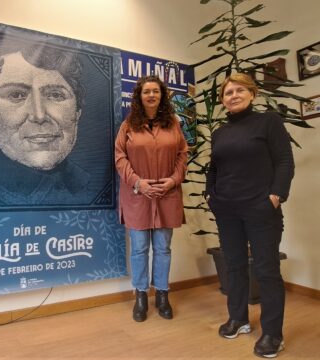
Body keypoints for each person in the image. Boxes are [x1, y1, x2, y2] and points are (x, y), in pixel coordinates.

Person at [205, 73, 294, 358]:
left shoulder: (269, 122)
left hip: (260, 208)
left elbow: (284, 161)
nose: (233, 95)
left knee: (267, 270)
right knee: (234, 266)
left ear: (252, 94)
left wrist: (276, 195)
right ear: (223, 101)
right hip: (227, 209)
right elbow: (214, 167)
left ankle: (272, 333)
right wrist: (211, 194)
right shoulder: (219, 132)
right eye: (228, 92)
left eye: (239, 90)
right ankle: (239, 319)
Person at [0, 32, 91, 206]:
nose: (39, 116)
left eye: (55, 95)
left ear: (77, 110)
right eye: (16, 95)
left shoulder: (98, 193)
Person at [115, 75, 188, 322]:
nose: (151, 95)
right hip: (137, 196)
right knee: (139, 249)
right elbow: (120, 157)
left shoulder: (173, 124)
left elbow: (182, 154)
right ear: (139, 96)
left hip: (167, 194)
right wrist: (138, 182)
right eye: (146, 91)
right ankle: (141, 296)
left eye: (155, 91)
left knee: (163, 248)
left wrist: (173, 180)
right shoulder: (128, 126)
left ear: (162, 95)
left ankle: (163, 294)